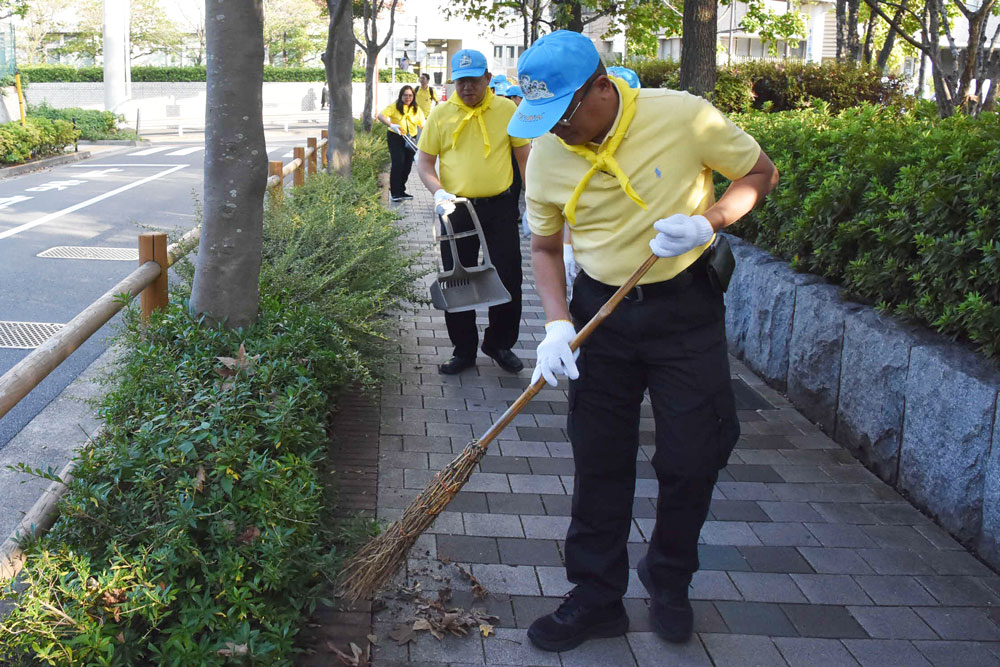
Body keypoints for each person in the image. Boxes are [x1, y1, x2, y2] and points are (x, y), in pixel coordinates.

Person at [508, 30, 779, 652]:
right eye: (544, 120)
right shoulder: (547, 156)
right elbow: (547, 249)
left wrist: (707, 221)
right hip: (599, 313)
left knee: (694, 454)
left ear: (602, 87)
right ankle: (596, 596)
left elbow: (760, 173)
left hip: (683, 309)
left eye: (565, 115)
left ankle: (669, 579)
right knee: (598, 457)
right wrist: (555, 325)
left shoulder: (682, 116)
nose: (557, 132)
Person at [417, 49, 531, 375]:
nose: (468, 87)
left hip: (500, 207)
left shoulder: (507, 109)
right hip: (456, 208)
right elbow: (424, 163)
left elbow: (524, 157)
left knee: (509, 275)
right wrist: (437, 191)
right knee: (458, 279)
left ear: (487, 78)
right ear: (454, 81)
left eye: (474, 80)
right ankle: (463, 350)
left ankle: (499, 343)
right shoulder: (441, 114)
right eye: (461, 81)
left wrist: (535, 205)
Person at [377, 85, 425, 202]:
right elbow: (380, 116)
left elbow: (423, 124)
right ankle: (395, 193)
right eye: (405, 95)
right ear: (401, 95)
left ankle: (401, 190)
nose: (408, 97)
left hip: (410, 139)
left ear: (413, 96)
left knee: (407, 165)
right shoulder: (394, 106)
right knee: (398, 163)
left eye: (410, 95)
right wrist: (391, 125)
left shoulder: (416, 109)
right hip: (396, 137)